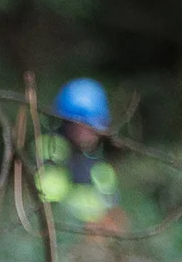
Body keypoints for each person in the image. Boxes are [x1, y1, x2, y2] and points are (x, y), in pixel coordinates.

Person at [45, 77, 124, 235]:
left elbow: (111, 204)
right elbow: (48, 207)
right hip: (62, 235)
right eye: (79, 125)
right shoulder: (49, 153)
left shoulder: (101, 163)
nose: (85, 132)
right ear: (65, 123)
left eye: (91, 126)